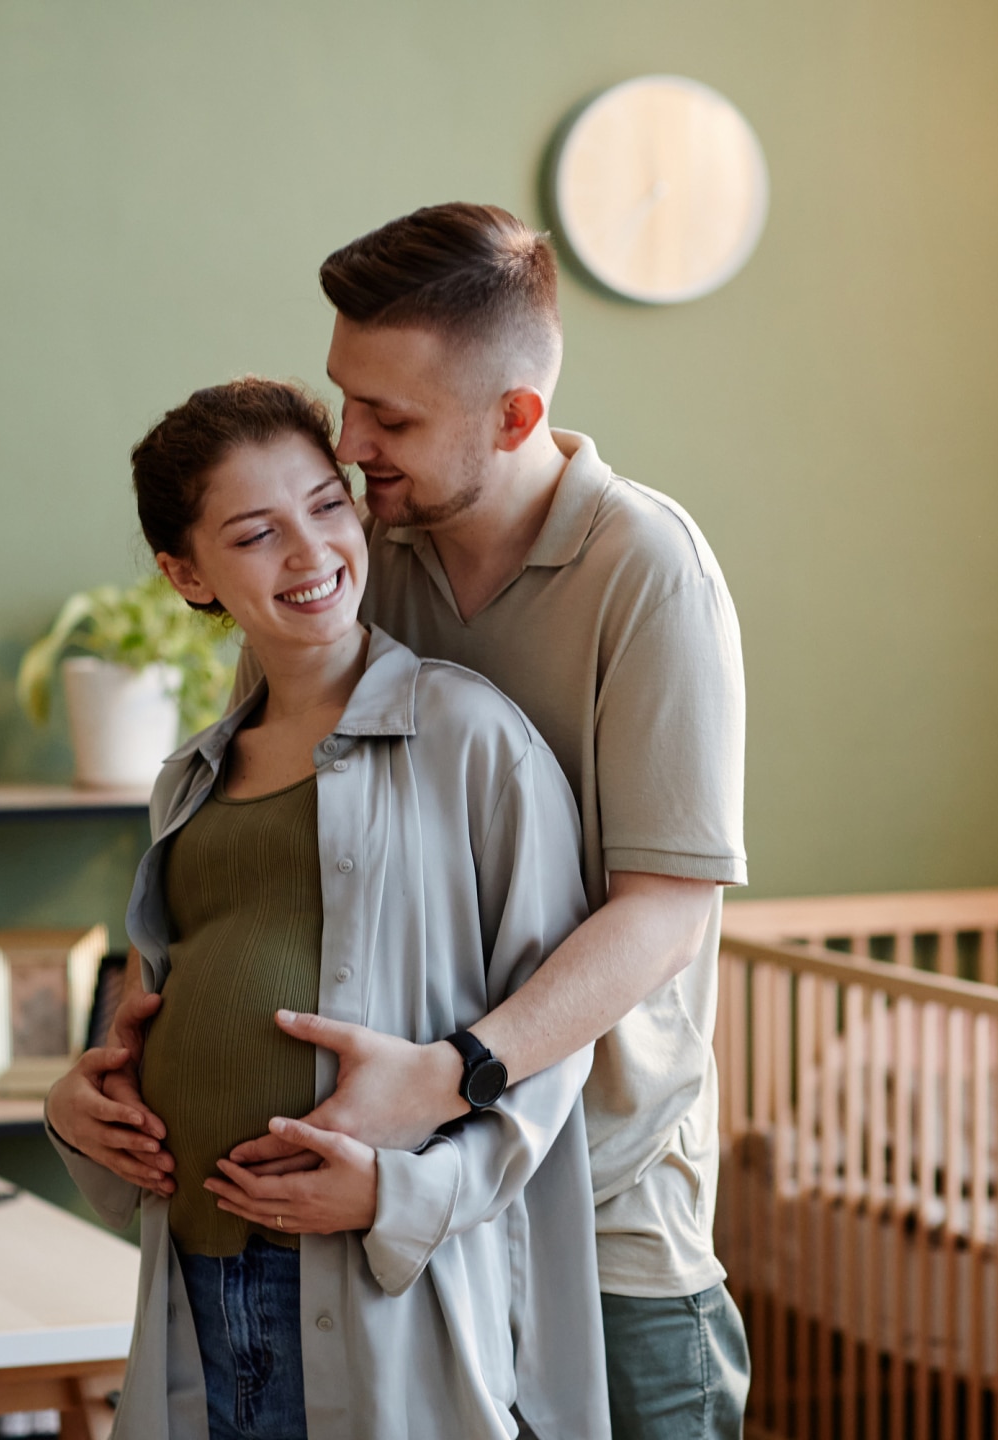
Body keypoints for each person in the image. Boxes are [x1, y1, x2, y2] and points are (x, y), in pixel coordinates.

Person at [62, 202, 751, 1438]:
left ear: (515, 419)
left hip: (600, 1210)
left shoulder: (643, 568)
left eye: (392, 420)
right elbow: (239, 824)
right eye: (347, 399)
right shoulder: (367, 542)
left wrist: (448, 1080)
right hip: (404, 1232)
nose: (352, 447)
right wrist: (143, 1014)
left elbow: (665, 915)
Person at [45, 378, 608, 1440]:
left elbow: (555, 1045)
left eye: (326, 505)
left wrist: (398, 1197)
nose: (309, 554)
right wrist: (80, 1107)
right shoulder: (188, 781)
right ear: (184, 573)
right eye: (255, 534)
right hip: (199, 1277)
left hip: (372, 1284)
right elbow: (150, 1012)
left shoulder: (469, 740)